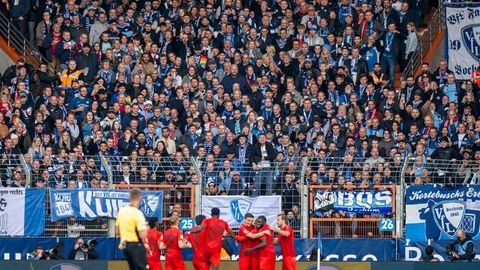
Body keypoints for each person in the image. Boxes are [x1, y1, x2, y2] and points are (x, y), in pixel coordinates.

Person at [116, 188, 149, 270]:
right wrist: (146, 228)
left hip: (125, 246)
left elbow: (117, 231)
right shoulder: (137, 213)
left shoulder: (121, 211)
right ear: (139, 198)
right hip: (136, 245)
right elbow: (142, 235)